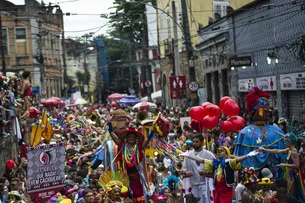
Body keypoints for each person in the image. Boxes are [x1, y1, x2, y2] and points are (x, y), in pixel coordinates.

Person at [180, 146, 258, 203]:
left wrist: (248, 155)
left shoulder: (229, 162)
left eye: (221, 151)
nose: (219, 152)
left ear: (226, 154)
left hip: (226, 191)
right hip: (217, 190)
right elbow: (201, 160)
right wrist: (188, 155)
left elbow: (238, 159)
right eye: (218, 151)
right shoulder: (215, 163)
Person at [108, 124, 154, 203]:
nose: (131, 138)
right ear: (126, 138)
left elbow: (146, 142)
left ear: (136, 139)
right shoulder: (122, 146)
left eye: (133, 137)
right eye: (129, 137)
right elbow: (115, 138)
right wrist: (110, 127)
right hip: (124, 175)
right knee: (123, 193)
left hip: (136, 175)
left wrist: (152, 132)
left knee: (138, 194)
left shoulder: (138, 147)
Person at [259, 130, 305, 202]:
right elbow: (277, 151)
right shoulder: (289, 150)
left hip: (293, 175)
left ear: (289, 142)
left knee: (290, 192)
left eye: (286, 141)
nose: (284, 143)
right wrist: (265, 150)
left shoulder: (294, 152)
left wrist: (284, 165)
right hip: (288, 174)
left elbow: (296, 165)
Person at [181, 134, 215, 203]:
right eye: (193, 142)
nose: (194, 144)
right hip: (193, 186)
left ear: (202, 143)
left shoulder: (209, 155)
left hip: (205, 186)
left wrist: (206, 172)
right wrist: (186, 172)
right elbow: (183, 170)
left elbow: (216, 169)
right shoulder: (188, 155)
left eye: (197, 142)